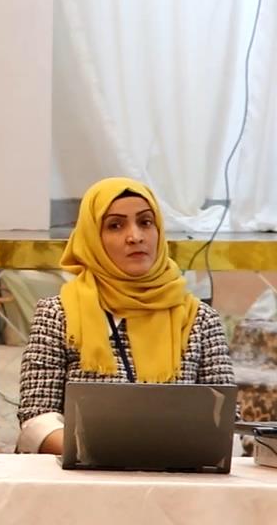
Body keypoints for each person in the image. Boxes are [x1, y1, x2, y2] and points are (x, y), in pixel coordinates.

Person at [17, 177, 235, 454]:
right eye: (115, 226)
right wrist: (101, 453)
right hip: (85, 471)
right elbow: (37, 418)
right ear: (92, 238)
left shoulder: (199, 319)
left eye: (145, 222)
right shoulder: (58, 314)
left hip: (175, 471)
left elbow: (226, 419)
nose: (135, 236)